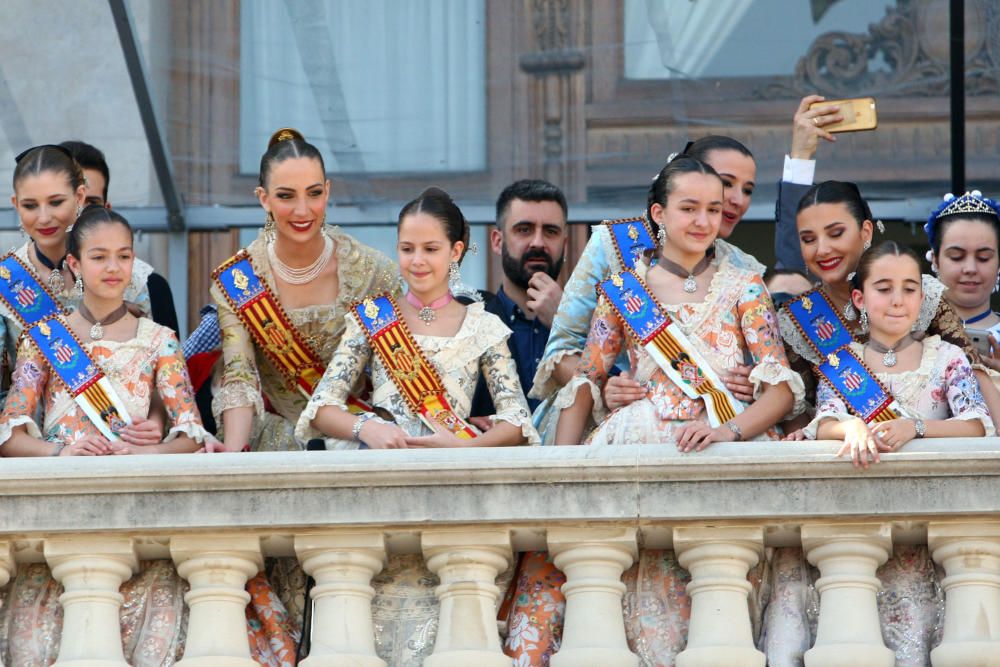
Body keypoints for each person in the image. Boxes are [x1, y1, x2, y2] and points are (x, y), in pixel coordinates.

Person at [296, 186, 537, 665]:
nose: (417, 261)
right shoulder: (372, 319)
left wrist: (461, 448)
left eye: (430, 249)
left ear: (456, 252)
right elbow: (320, 409)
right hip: (377, 478)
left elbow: (516, 422)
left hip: (454, 482)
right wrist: (368, 429)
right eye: (407, 249)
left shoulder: (483, 325)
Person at [0, 206, 225, 664]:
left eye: (123, 256)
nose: (114, 268)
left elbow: (192, 436)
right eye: (99, 257)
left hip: (137, 509)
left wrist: (150, 452)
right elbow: (8, 437)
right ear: (75, 266)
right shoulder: (43, 337)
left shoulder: (159, 338)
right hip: (61, 511)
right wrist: (61, 450)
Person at [530, 135, 765, 445]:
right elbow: (561, 351)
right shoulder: (614, 244)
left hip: (719, 425)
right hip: (622, 420)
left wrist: (755, 382)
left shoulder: (744, 269)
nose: (736, 198)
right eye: (726, 183)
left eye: (747, 189)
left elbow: (768, 370)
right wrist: (609, 388)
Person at [209, 128, 398, 453]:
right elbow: (239, 374)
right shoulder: (238, 280)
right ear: (263, 198)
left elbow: (393, 373)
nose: (302, 210)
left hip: (361, 436)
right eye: (286, 196)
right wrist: (232, 452)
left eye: (314, 193)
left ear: (328, 191)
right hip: (279, 440)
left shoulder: (372, 272)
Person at [777, 181, 1000, 436]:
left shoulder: (925, 297)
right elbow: (799, 413)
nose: (823, 249)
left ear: (866, 231)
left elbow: (972, 374)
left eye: (836, 233)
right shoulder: (798, 320)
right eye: (808, 239)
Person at [4, 145, 165, 447]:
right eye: (30, 206)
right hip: (36, 452)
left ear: (79, 198)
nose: (44, 218)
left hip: (127, 443)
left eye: (56, 202)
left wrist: (155, 423)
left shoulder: (130, 276)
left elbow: (158, 372)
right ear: (15, 204)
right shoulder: (7, 282)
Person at [804, 241, 990, 466]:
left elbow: (975, 425)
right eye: (884, 289)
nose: (898, 301)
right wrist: (851, 427)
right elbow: (824, 424)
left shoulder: (947, 357)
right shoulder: (842, 363)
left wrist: (915, 427)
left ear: (920, 299)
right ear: (859, 299)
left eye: (909, 290)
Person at [469, 179, 568, 421]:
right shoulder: (468, 322)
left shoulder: (597, 321)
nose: (538, 242)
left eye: (550, 231)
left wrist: (563, 321)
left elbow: (613, 396)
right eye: (524, 229)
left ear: (564, 245)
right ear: (497, 241)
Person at [60, 139, 180, 333]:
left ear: (106, 209)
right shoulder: (15, 281)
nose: (78, 213)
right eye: (68, 201)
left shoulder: (151, 287)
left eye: (91, 203)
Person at [923, 190, 1000, 369]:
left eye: (983, 258)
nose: (970, 269)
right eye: (957, 257)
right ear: (935, 260)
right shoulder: (910, 335)